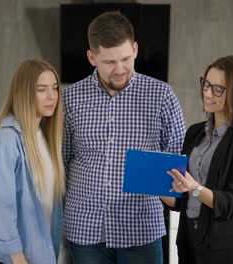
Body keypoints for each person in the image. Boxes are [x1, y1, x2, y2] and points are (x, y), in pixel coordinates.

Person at [62, 11, 186, 264]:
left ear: (136, 49)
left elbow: (178, 164)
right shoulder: (70, 99)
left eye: (126, 59)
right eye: (109, 62)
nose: (120, 69)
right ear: (92, 57)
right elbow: (61, 162)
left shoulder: (161, 96)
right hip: (85, 230)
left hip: (141, 229)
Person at [161, 55, 233, 264]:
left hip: (228, 251)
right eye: (206, 84)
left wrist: (195, 187)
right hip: (190, 245)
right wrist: (154, 185)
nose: (208, 93)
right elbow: (181, 202)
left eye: (218, 89)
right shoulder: (194, 132)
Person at [0, 59, 65, 264]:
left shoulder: (44, 137)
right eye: (42, 89)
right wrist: (16, 255)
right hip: (12, 259)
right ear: (24, 93)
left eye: (54, 88)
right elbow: (1, 205)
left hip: (37, 255)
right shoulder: (6, 140)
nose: (52, 96)